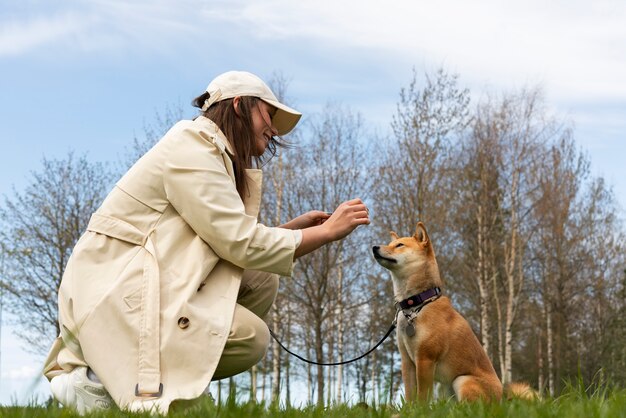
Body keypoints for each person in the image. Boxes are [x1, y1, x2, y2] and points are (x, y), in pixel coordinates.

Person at [43, 70, 370, 414]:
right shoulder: (192, 144)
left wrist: (294, 229)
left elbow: (228, 241)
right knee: (250, 337)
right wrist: (325, 232)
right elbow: (238, 242)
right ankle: (95, 381)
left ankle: (174, 384)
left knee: (261, 279)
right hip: (115, 294)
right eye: (268, 114)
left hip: (144, 286)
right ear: (240, 105)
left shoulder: (211, 153)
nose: (273, 128)